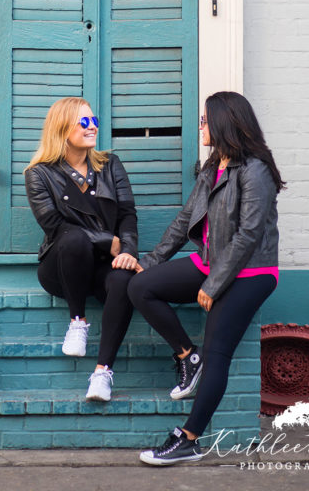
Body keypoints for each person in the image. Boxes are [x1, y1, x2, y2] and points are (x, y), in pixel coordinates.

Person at [128, 90, 285, 466]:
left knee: (218, 354)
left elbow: (248, 234)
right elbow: (186, 220)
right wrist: (150, 261)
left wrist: (214, 286)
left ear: (223, 122)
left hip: (250, 272)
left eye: (204, 119)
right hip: (210, 262)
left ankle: (189, 440)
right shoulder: (214, 165)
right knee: (141, 287)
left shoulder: (255, 169)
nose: (200, 125)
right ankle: (187, 356)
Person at [24, 96, 139, 403]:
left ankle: (102, 373)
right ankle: (78, 322)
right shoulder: (39, 173)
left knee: (123, 280)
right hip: (61, 267)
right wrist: (107, 241)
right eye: (84, 122)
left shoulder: (110, 165)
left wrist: (126, 250)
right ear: (63, 129)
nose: (92, 128)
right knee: (73, 238)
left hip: (102, 265)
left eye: (94, 121)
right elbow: (53, 224)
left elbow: (127, 213)